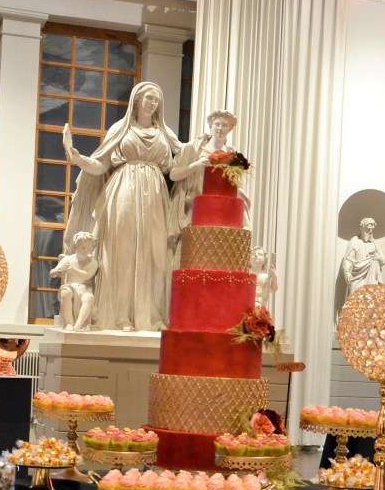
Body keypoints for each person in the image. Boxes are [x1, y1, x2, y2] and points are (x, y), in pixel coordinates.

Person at [62, 81, 181, 332]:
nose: (153, 103)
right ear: (137, 100)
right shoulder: (122, 129)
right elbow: (101, 164)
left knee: (157, 254)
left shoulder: (164, 133)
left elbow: (175, 165)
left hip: (155, 195)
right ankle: (121, 316)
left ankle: (152, 315)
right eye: (149, 98)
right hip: (124, 191)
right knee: (123, 253)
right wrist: (80, 159)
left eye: (157, 99)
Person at [167, 110, 247, 243]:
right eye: (217, 124)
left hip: (223, 208)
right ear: (211, 126)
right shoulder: (194, 148)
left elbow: (235, 184)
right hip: (196, 205)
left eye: (224, 125)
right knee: (193, 245)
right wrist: (195, 165)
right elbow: (173, 175)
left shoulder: (232, 154)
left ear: (230, 129)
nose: (220, 128)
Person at [49, 231, 98, 331]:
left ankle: (79, 324)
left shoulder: (93, 262)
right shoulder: (68, 259)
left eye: (89, 249)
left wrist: (73, 270)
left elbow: (87, 275)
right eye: (83, 248)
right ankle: (69, 323)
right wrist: (56, 272)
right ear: (76, 246)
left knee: (89, 298)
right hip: (71, 286)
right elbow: (52, 272)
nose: (86, 250)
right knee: (65, 292)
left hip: (85, 288)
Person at [341, 217, 385, 300]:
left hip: (373, 279)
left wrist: (379, 258)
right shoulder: (355, 242)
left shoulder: (374, 243)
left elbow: (384, 260)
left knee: (371, 301)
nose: (370, 232)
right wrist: (347, 273)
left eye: (372, 230)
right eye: (368, 229)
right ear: (362, 228)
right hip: (358, 277)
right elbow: (348, 260)